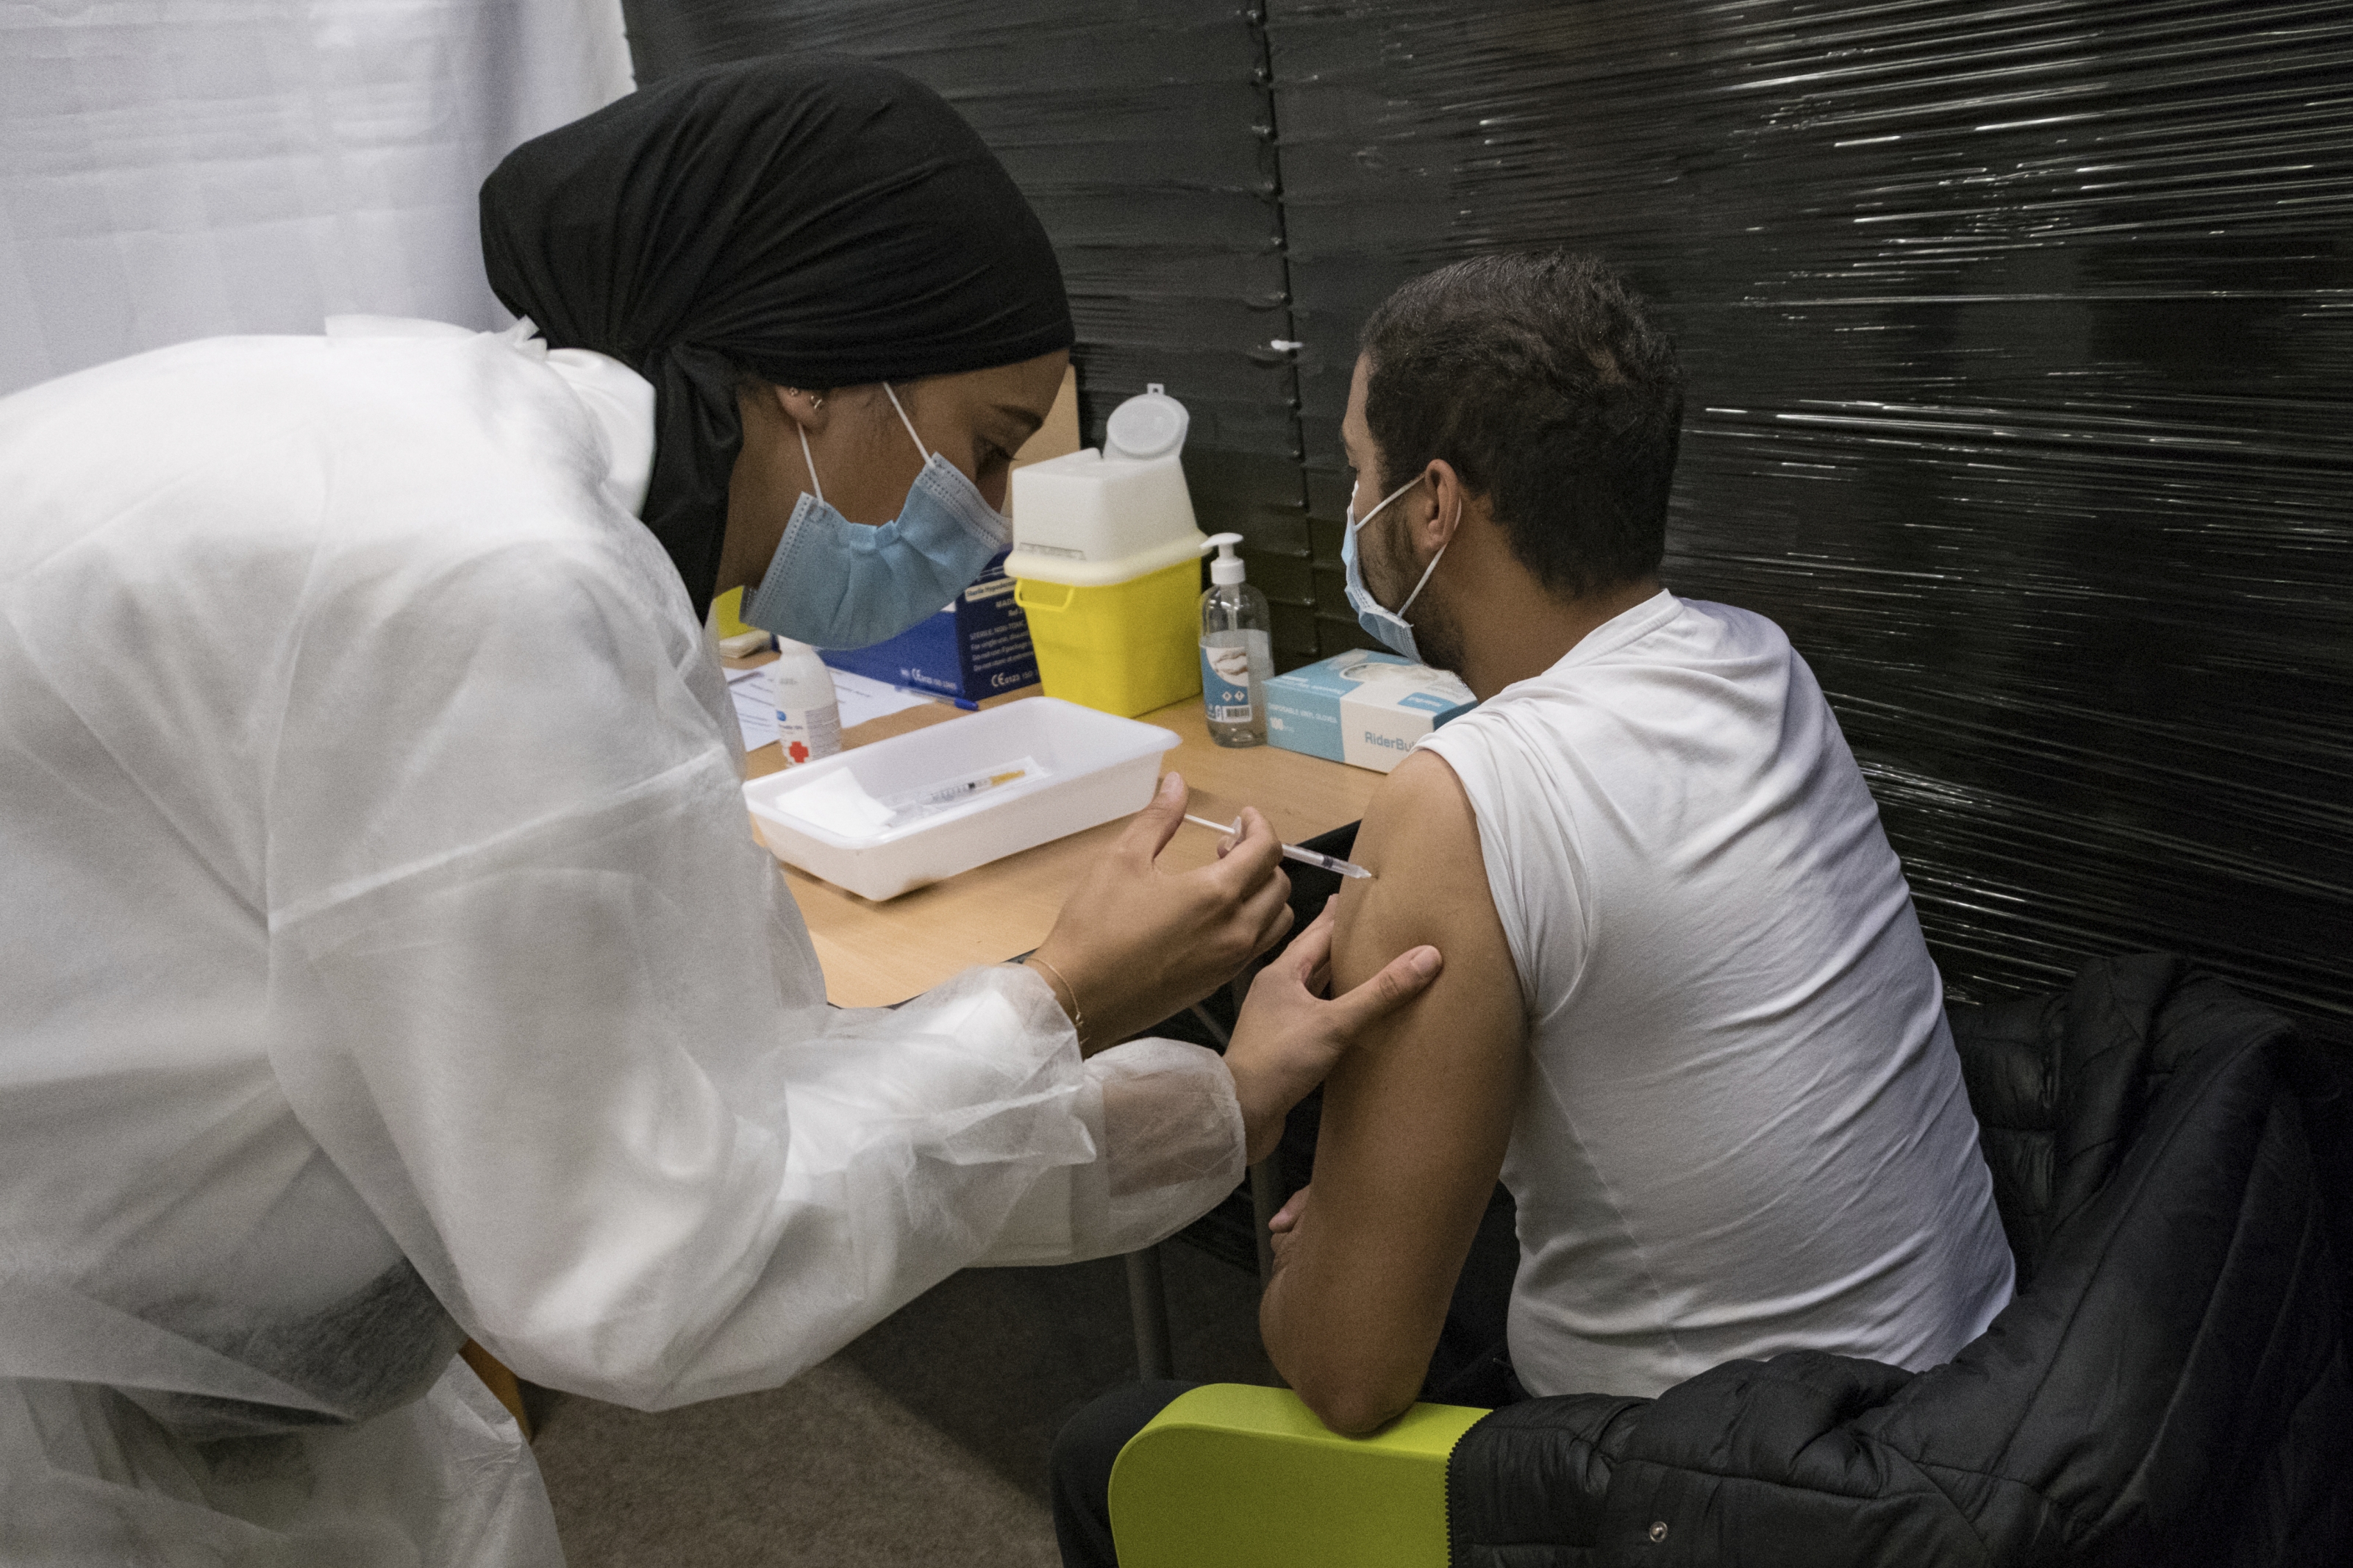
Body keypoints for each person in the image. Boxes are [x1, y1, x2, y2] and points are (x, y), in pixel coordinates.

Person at [0, 57, 1442, 1564]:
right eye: (986, 446)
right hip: (74, 1391)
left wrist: (1218, 1098)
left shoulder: (538, 510)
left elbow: (754, 1092)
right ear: (813, 373)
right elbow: (648, 1267)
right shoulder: (491, 576)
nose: (994, 524)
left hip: (181, 1316)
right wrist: (1061, 992)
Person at [1050, 252, 2014, 1565]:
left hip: (1748, 1501)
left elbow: (1345, 1375)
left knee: (1110, 1454)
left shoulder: (1460, 802)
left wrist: (1310, 1263)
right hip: (1972, 1420)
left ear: (1434, 504)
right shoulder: (1756, 659)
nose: (1352, 510)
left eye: (1359, 473)